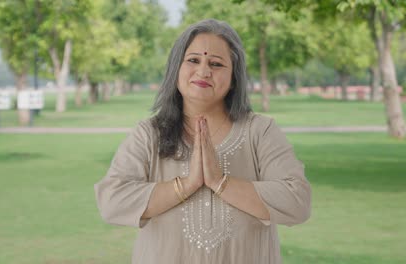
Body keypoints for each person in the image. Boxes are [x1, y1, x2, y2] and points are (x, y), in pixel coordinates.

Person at [94, 19, 311, 264]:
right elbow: (112, 202)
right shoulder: (149, 134)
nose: (204, 70)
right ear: (176, 68)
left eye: (216, 64)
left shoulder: (260, 131)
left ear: (234, 78)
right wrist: (186, 185)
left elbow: (297, 201)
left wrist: (221, 183)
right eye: (194, 60)